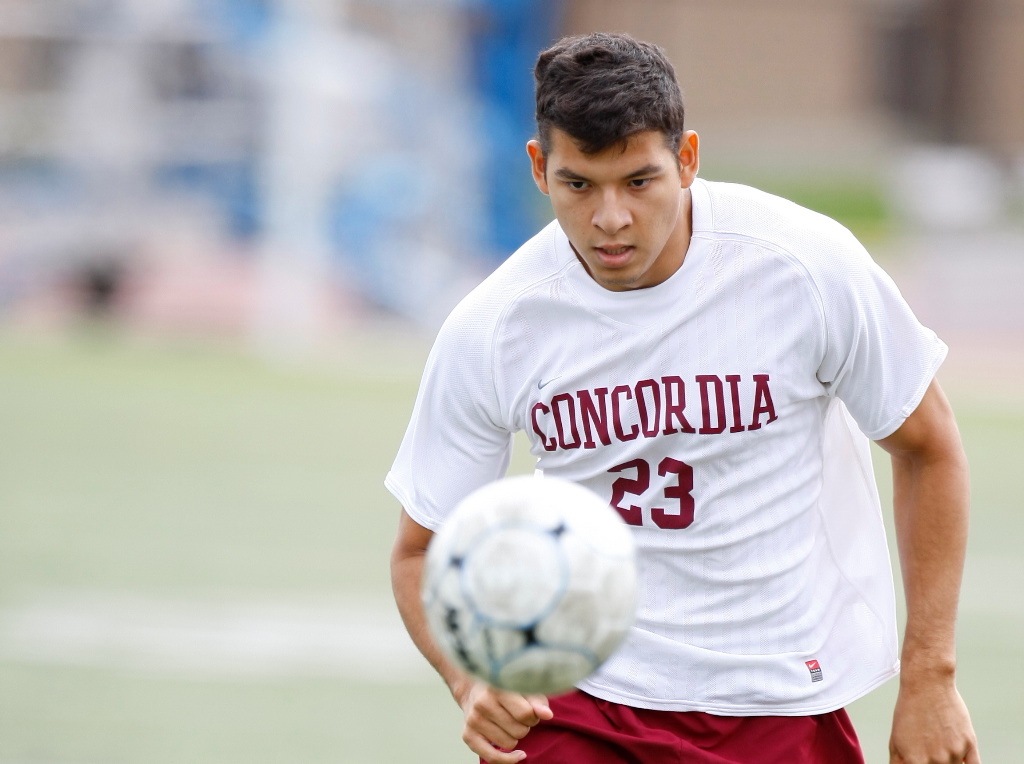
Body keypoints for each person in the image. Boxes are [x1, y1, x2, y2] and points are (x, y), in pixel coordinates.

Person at [387, 32, 980, 764]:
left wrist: (930, 675)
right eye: (579, 184)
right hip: (580, 702)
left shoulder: (804, 268)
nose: (610, 218)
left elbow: (927, 447)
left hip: (777, 697)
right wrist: (468, 677)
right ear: (541, 169)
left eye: (639, 181)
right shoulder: (498, 322)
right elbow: (421, 548)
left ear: (688, 159)